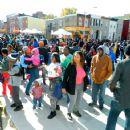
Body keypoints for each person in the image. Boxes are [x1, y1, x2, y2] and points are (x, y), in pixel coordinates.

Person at [105, 44, 130, 130]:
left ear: (126, 53)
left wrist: (112, 89)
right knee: (129, 123)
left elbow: (112, 83)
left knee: (112, 120)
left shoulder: (122, 64)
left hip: (119, 98)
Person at [62, 51, 90, 120]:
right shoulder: (70, 65)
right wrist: (63, 87)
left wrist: (88, 83)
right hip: (72, 86)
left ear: (81, 58)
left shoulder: (83, 65)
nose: (75, 58)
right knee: (72, 101)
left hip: (81, 85)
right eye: (74, 56)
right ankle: (69, 112)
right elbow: (65, 76)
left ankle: (75, 110)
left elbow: (85, 76)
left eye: (77, 57)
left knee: (79, 100)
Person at [89, 45, 112, 110]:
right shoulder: (94, 57)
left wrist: (105, 78)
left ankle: (101, 104)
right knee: (93, 92)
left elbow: (110, 71)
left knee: (101, 94)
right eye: (98, 49)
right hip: (94, 78)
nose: (99, 51)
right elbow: (92, 66)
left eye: (101, 50)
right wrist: (91, 73)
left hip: (103, 80)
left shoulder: (108, 58)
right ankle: (94, 102)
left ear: (103, 50)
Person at [47, 53, 62, 119]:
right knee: (56, 94)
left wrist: (57, 71)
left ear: (56, 58)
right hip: (53, 81)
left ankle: (53, 111)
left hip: (55, 82)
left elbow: (59, 72)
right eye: (51, 57)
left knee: (52, 96)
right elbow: (49, 70)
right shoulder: (52, 63)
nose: (51, 58)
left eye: (53, 57)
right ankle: (57, 105)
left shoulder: (58, 65)